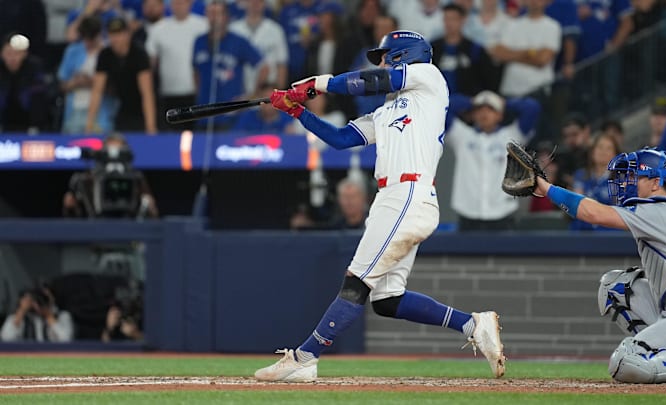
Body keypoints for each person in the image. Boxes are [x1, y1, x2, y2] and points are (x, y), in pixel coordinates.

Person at [253, 30, 505, 382]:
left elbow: (374, 79)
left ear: (403, 55)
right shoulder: (388, 110)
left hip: (409, 193)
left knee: (357, 281)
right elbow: (341, 139)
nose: (382, 62)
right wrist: (297, 110)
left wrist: (318, 83)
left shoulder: (428, 78)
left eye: (387, 55)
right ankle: (472, 324)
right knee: (387, 300)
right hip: (391, 198)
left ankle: (304, 357)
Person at [529, 147, 666, 383]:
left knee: (625, 361)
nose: (625, 182)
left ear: (656, 182)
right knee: (615, 286)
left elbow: (593, 214)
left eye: (635, 176)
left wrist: (546, 188)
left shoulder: (658, 210)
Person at [447, 90, 540, 231]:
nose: (484, 113)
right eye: (479, 109)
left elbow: (532, 108)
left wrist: (505, 102)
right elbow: (442, 106)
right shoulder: (461, 136)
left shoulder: (512, 136)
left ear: (500, 115)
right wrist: (470, 101)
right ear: (473, 114)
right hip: (468, 212)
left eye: (491, 109)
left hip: (502, 213)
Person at [192, 0, 268, 130]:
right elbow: (196, 71)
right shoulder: (199, 41)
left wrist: (252, 95)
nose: (214, 18)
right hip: (204, 113)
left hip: (231, 115)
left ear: (226, 17)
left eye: (218, 13)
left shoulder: (238, 41)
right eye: (210, 13)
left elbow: (264, 66)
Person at [86, 17, 157, 134]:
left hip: (144, 109)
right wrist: (89, 124)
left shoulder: (139, 54)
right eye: (112, 34)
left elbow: (147, 93)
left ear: (128, 35)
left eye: (119, 34)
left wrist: (150, 126)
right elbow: (97, 91)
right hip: (124, 106)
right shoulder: (105, 55)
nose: (115, 38)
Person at [63, 133, 159, 219]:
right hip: (95, 229)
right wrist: (72, 207)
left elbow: (152, 213)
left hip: (128, 228)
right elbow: (73, 217)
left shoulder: (136, 178)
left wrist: (149, 207)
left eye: (119, 153)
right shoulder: (87, 179)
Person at [145, 0, 207, 131]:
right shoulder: (158, 29)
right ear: (170, 5)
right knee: (170, 137)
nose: (179, 6)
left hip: (195, 95)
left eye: (182, 2)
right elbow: (150, 62)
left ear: (190, 3)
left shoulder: (203, 25)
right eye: (176, 3)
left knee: (196, 137)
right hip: (168, 94)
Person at [492, 0, 561, 98]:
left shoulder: (553, 27)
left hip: (538, 89)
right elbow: (498, 53)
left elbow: (542, 60)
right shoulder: (512, 25)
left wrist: (511, 55)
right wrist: (530, 53)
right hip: (510, 89)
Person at [58, 16, 114, 134]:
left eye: (91, 39)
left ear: (99, 34)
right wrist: (75, 83)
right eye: (85, 38)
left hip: (101, 114)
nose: (88, 42)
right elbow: (62, 85)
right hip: (74, 112)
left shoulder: (109, 53)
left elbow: (115, 88)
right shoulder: (72, 51)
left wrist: (93, 82)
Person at [569, 133, 621, 231]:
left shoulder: (621, 180)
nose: (603, 152)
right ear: (592, 151)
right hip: (581, 232)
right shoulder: (580, 176)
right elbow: (576, 206)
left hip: (610, 235)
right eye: (600, 147)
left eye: (608, 148)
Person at [0, 33, 48, 133]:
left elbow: (38, 101)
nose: (12, 58)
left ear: (25, 53)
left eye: (16, 53)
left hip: (29, 124)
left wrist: (35, 126)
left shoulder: (34, 67)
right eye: (9, 53)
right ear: (2, 53)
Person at [1, 287, 74, 342]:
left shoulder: (62, 316)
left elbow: (66, 339)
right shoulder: (19, 318)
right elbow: (6, 338)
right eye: (36, 299)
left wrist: (48, 315)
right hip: (26, 358)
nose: (40, 301)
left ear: (52, 299)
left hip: (53, 357)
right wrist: (22, 310)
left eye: (45, 297)